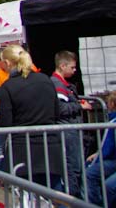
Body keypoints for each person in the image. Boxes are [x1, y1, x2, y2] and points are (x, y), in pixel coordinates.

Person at [0, 44, 63, 191]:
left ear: (7, 63)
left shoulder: (8, 86)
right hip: (50, 147)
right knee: (56, 197)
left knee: (27, 199)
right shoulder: (45, 79)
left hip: (22, 152)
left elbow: (4, 122)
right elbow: (57, 112)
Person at [52, 50, 92, 198]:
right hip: (68, 131)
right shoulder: (58, 85)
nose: (75, 71)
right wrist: (80, 106)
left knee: (75, 168)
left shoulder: (62, 84)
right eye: (72, 68)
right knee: (73, 169)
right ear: (63, 66)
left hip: (70, 130)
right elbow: (61, 108)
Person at [84, 91, 116, 206]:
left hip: (113, 160)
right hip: (112, 159)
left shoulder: (113, 122)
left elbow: (108, 149)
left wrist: (98, 157)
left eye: (108, 103)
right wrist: (97, 154)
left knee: (90, 174)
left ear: (112, 104)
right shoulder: (112, 121)